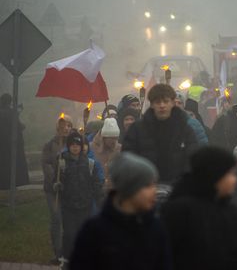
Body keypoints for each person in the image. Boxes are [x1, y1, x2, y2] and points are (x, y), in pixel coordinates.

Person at [161, 146, 237, 270]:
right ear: (216, 175)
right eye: (230, 174)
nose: (234, 180)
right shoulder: (178, 211)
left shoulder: (229, 211)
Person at [69, 152, 172, 270]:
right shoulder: (94, 231)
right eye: (148, 186)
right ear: (130, 188)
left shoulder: (156, 229)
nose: (154, 191)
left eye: (154, 185)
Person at [123, 84, 198, 185]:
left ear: (172, 103)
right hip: (146, 186)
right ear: (152, 104)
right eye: (158, 102)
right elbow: (129, 159)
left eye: (166, 101)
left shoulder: (185, 130)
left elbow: (192, 159)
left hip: (177, 188)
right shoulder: (137, 130)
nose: (162, 105)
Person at [54, 131, 103, 261]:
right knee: (69, 234)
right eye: (72, 144)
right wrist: (57, 185)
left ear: (81, 146)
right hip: (68, 205)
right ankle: (66, 258)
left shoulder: (89, 163)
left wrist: (98, 195)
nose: (75, 147)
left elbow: (96, 182)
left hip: (84, 204)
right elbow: (56, 180)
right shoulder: (62, 162)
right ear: (68, 146)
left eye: (77, 144)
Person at [42, 114, 73, 264]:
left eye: (69, 125)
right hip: (52, 189)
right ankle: (57, 253)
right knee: (56, 218)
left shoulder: (75, 144)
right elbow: (46, 164)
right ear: (58, 127)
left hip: (69, 190)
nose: (66, 128)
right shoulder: (50, 145)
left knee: (68, 220)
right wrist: (54, 180)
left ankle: (67, 253)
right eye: (63, 125)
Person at [0, 93, 30, 190]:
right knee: (13, 164)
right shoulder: (10, 112)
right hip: (11, 144)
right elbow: (18, 126)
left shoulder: (6, 112)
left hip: (3, 144)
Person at [90, 117, 122, 191]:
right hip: (96, 190)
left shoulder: (120, 149)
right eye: (111, 138)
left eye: (116, 138)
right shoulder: (91, 148)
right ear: (103, 137)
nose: (114, 141)